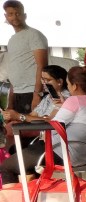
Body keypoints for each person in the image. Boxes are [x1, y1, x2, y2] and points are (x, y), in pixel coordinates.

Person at [0, 65, 86, 185]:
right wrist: (64, 105)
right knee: (21, 158)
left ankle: (14, 197)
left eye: (68, 84)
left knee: (6, 167)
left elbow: (52, 125)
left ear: (75, 86)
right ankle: (31, 192)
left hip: (64, 154)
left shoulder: (75, 100)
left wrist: (20, 120)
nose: (68, 87)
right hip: (80, 154)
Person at [3, 0, 47, 139]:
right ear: (6, 16)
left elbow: (42, 66)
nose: (14, 17)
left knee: (33, 135)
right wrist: (10, 102)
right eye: (10, 14)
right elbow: (14, 70)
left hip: (31, 92)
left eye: (18, 13)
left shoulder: (34, 35)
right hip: (18, 94)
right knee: (15, 135)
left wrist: (37, 94)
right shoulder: (12, 40)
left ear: (24, 15)